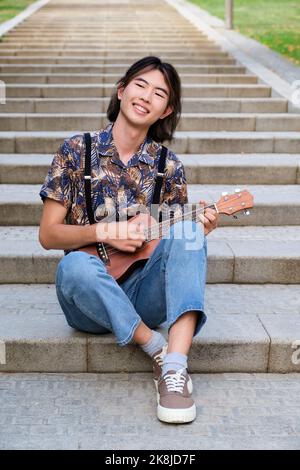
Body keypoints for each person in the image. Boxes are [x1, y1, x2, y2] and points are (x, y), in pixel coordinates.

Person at [38, 56, 219, 424]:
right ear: (121, 91)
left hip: (143, 293)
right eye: (140, 84)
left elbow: (172, 238)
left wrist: (197, 230)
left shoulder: (168, 166)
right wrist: (104, 232)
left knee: (188, 231)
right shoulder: (76, 151)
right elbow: (48, 235)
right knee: (73, 265)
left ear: (165, 110)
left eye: (159, 93)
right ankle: (154, 345)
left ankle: (175, 368)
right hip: (86, 297)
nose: (146, 96)